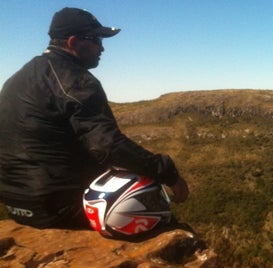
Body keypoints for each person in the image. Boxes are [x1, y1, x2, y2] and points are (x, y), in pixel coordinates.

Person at [0, 7, 189, 229]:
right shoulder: (76, 81)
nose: (102, 47)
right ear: (73, 42)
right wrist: (169, 174)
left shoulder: (16, 79)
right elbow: (109, 147)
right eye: (96, 39)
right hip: (62, 208)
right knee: (154, 206)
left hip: (17, 204)